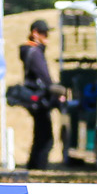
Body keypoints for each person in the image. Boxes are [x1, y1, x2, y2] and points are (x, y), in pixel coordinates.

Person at [19, 19, 58, 170]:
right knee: (45, 137)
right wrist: (55, 91)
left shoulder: (31, 50)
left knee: (40, 134)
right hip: (39, 98)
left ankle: (34, 166)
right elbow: (44, 77)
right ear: (35, 33)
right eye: (44, 33)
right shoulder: (34, 51)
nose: (46, 36)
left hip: (35, 97)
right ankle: (38, 167)